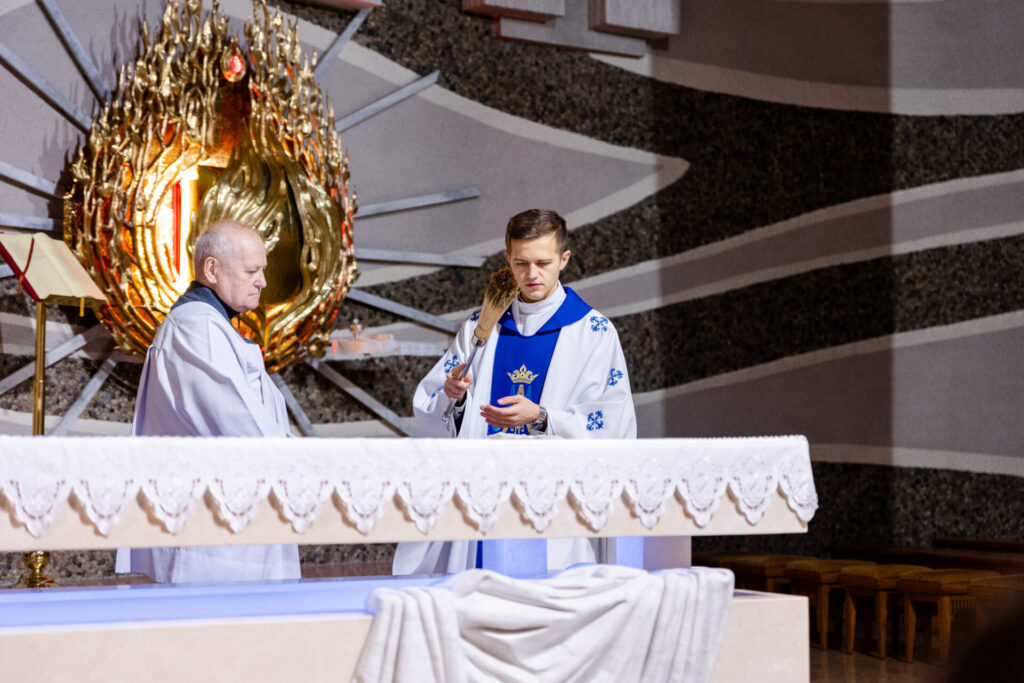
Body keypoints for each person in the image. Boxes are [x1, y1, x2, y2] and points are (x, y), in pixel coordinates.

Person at [395, 209, 637, 575]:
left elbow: (612, 424)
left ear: (564, 259)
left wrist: (540, 417)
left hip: (556, 499)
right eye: (521, 263)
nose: (532, 274)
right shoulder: (482, 325)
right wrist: (455, 396)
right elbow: (433, 407)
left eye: (543, 263)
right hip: (484, 492)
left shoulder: (593, 333)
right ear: (508, 259)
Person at [124, 219, 300, 584]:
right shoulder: (197, 327)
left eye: (263, 270)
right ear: (212, 269)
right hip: (217, 531)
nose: (263, 282)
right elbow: (240, 426)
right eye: (251, 271)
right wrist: (309, 468)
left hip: (235, 520)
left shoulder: (212, 326)